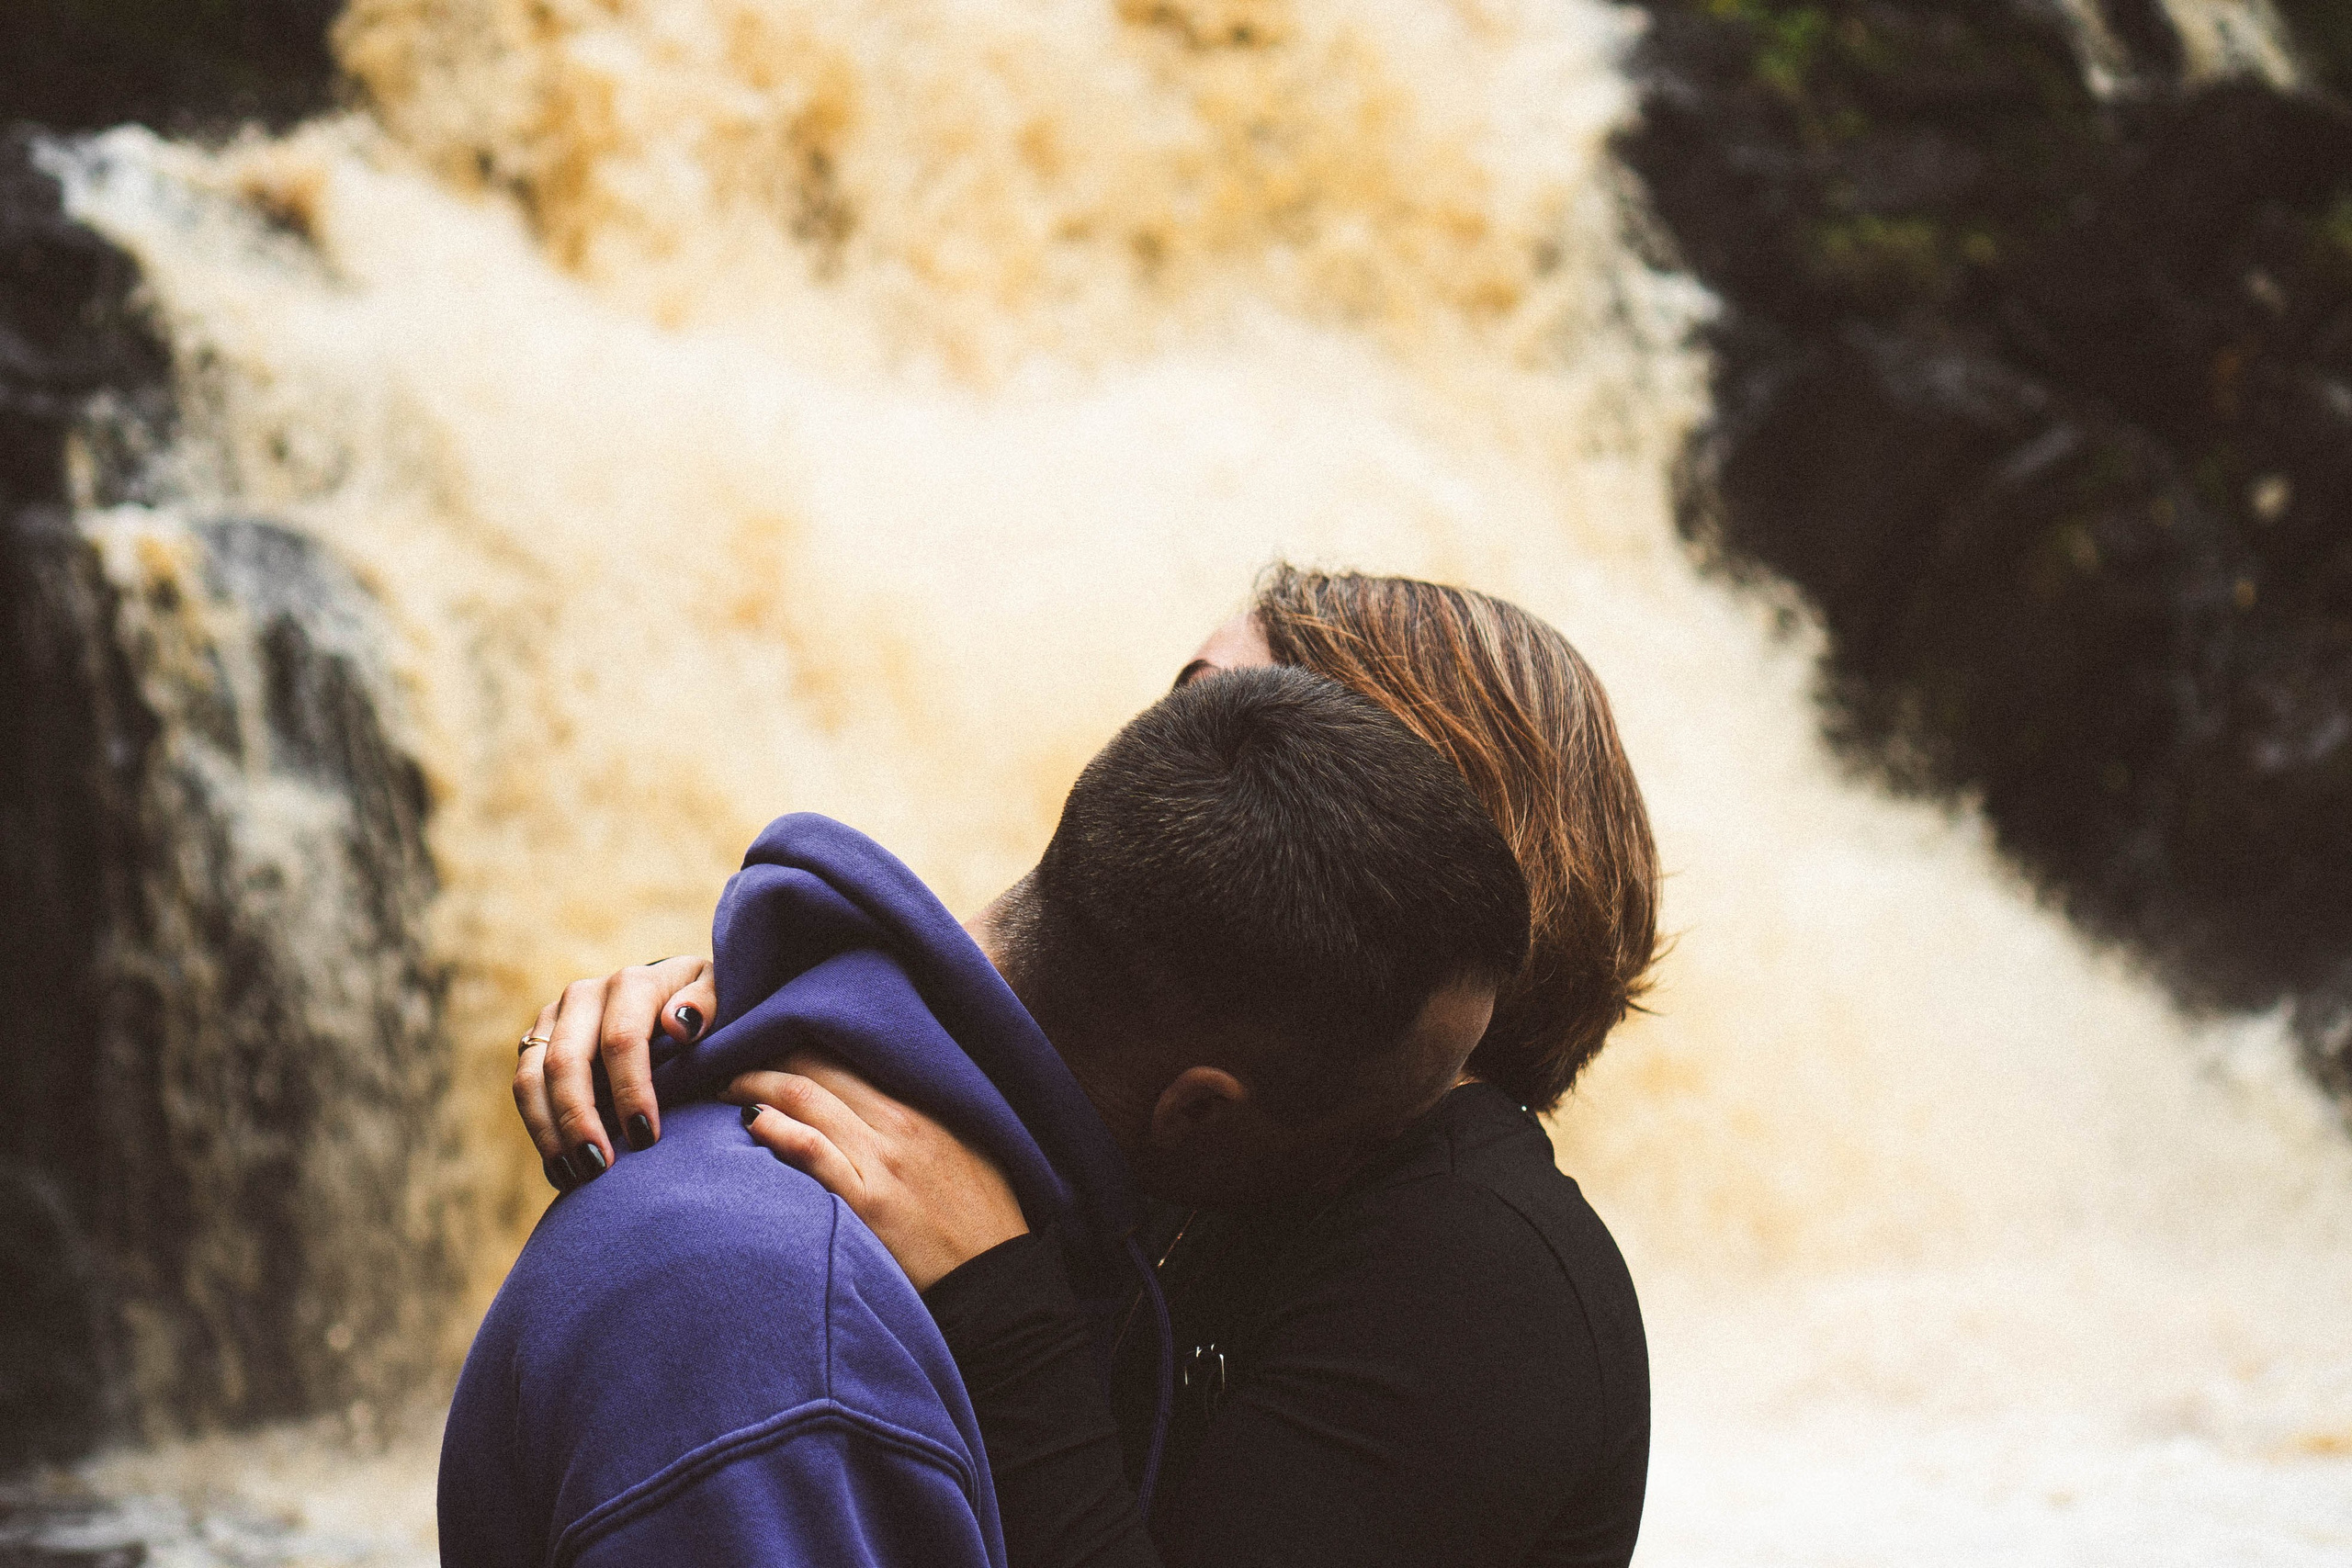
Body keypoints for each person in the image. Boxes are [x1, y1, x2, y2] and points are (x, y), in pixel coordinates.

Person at [515, 567, 1661, 1566]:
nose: (1167, 751)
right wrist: (732, 998)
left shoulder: (1469, 1271)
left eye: (1247, 713)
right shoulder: (1198, 1133)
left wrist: (999, 1309)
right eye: (1188, 699)